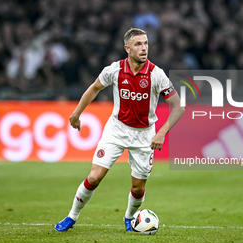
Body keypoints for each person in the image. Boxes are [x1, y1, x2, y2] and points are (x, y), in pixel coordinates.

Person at [55, 28, 185, 232]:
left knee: (138, 187)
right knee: (94, 177)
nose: (144, 48)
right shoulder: (115, 70)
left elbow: (178, 106)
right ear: (127, 48)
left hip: (144, 135)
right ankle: (72, 216)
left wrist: (161, 133)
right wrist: (76, 114)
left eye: (146, 44)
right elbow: (94, 88)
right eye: (138, 44)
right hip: (116, 129)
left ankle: (129, 218)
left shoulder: (156, 74)